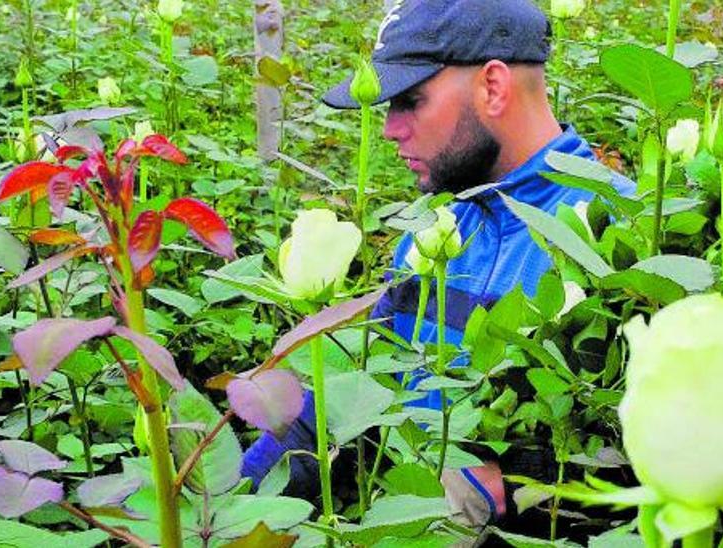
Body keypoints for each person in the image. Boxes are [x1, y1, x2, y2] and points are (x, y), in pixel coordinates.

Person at [239, 0, 635, 532]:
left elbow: (652, 450)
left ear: (492, 87)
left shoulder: (615, 230)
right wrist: (231, 504)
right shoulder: (434, 233)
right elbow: (339, 404)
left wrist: (508, 482)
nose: (389, 129)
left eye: (409, 100)